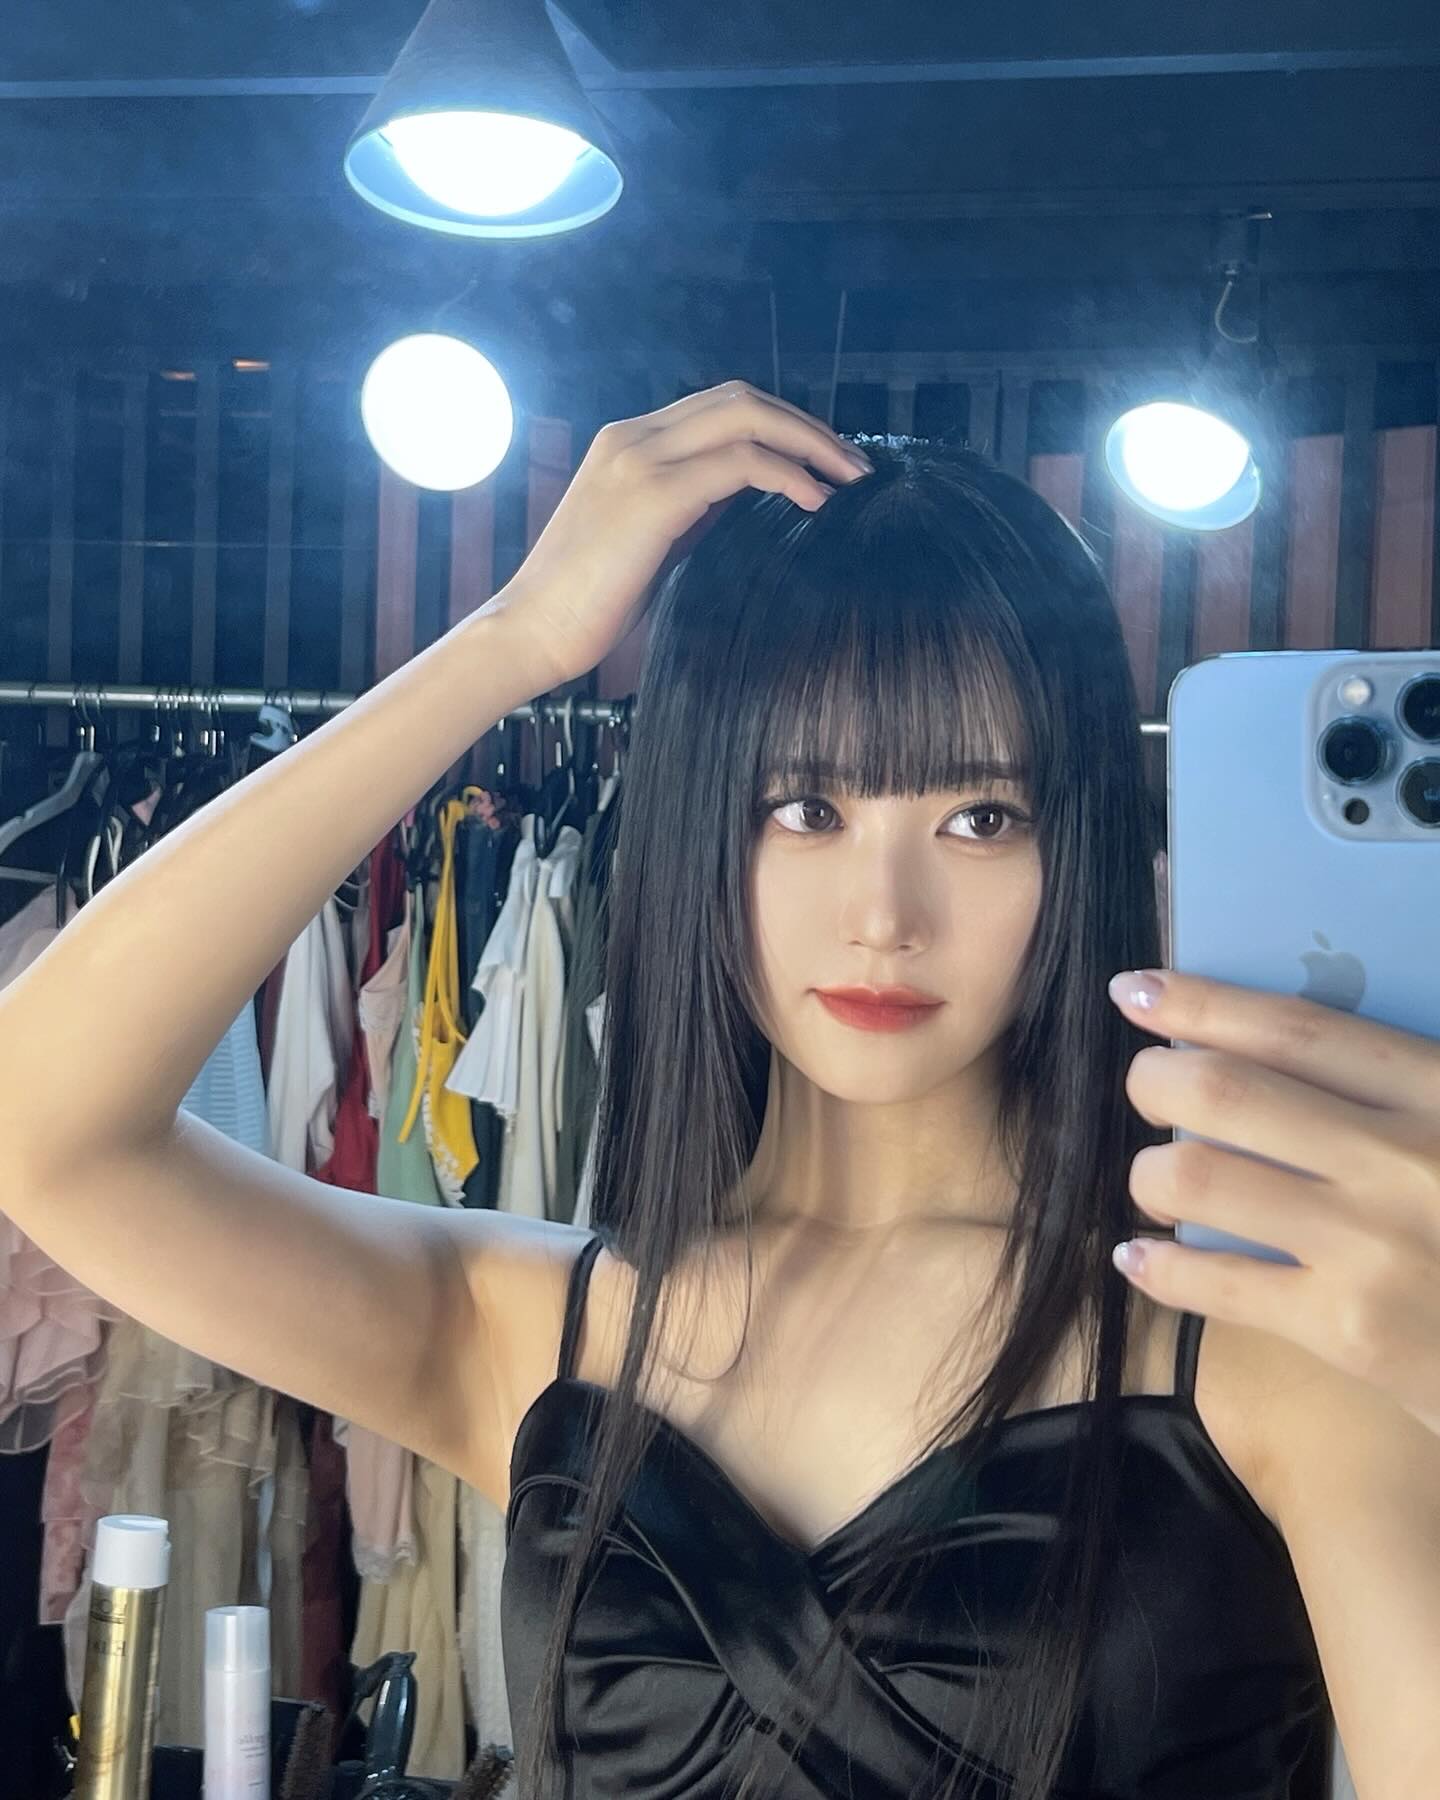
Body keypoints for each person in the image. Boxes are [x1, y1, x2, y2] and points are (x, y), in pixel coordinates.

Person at [1, 382, 1437, 1800]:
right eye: (805, 810)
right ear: (700, 819)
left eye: (980, 816)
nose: (885, 914)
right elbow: (46, 1127)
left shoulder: (1274, 1351)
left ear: (1080, 845)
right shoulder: (536, 1335)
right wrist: (514, 641)